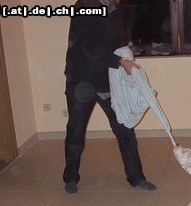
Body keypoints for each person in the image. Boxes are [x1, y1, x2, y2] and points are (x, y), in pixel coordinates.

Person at [63, 0, 156, 193]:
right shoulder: (85, 6)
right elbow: (91, 49)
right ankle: (70, 178)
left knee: (124, 129)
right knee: (75, 132)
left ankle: (136, 177)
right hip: (81, 81)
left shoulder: (116, 10)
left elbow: (116, 43)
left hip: (106, 81)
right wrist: (121, 61)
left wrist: (127, 53)